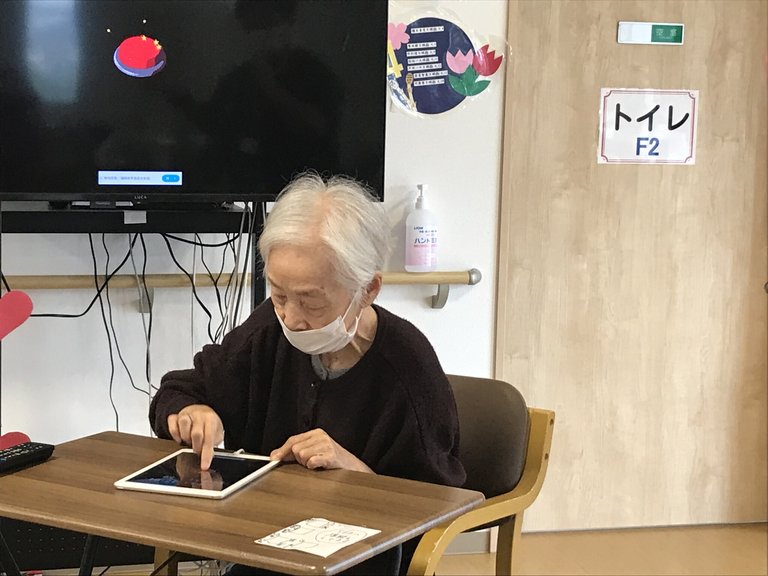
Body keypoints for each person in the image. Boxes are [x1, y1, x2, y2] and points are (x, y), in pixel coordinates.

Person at [149, 172, 466, 575]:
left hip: (363, 557)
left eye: (311, 303)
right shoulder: (267, 329)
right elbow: (177, 390)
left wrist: (353, 470)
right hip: (267, 544)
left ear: (368, 289)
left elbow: (436, 508)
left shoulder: (408, 367)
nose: (291, 318)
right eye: (279, 294)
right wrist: (192, 412)